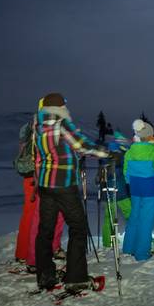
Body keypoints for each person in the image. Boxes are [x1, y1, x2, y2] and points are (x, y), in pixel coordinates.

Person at [34, 93, 107, 292]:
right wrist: (106, 152)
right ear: (60, 107)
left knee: (45, 230)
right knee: (78, 228)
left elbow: (45, 153)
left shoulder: (38, 126)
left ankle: (45, 275)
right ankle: (76, 278)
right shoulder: (61, 123)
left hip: (45, 184)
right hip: (64, 184)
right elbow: (81, 145)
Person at [14, 119, 65, 269]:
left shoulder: (30, 127)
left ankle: (26, 253)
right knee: (35, 214)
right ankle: (27, 254)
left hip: (35, 175)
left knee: (40, 213)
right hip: (38, 176)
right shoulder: (42, 129)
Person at [122, 119, 154, 261]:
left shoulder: (130, 152)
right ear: (149, 136)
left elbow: (126, 171)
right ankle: (142, 253)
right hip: (149, 189)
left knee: (134, 217)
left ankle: (128, 249)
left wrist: (129, 184)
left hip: (135, 189)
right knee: (147, 220)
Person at [100, 131, 132, 248]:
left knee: (109, 216)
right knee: (130, 214)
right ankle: (134, 236)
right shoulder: (119, 156)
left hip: (107, 192)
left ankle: (108, 241)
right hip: (120, 192)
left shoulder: (105, 159)